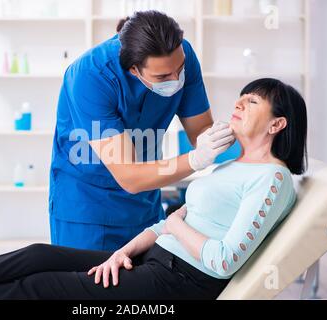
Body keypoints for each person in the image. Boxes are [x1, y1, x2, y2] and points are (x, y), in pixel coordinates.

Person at [0, 79, 307, 300]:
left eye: (253, 101)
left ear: (277, 124)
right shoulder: (229, 165)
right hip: (153, 258)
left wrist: (173, 221)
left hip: (180, 283)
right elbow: (169, 227)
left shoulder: (273, 179)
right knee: (37, 255)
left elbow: (223, 261)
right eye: (241, 97)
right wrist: (123, 251)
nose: (239, 103)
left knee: (36, 289)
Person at [49, 11, 235, 250]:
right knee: (89, 284)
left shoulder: (181, 56)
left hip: (145, 203)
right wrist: (195, 159)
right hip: (88, 209)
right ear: (134, 70)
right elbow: (130, 177)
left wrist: (230, 133)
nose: (177, 79)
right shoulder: (91, 76)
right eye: (163, 76)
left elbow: (200, 131)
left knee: (147, 283)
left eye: (179, 69)